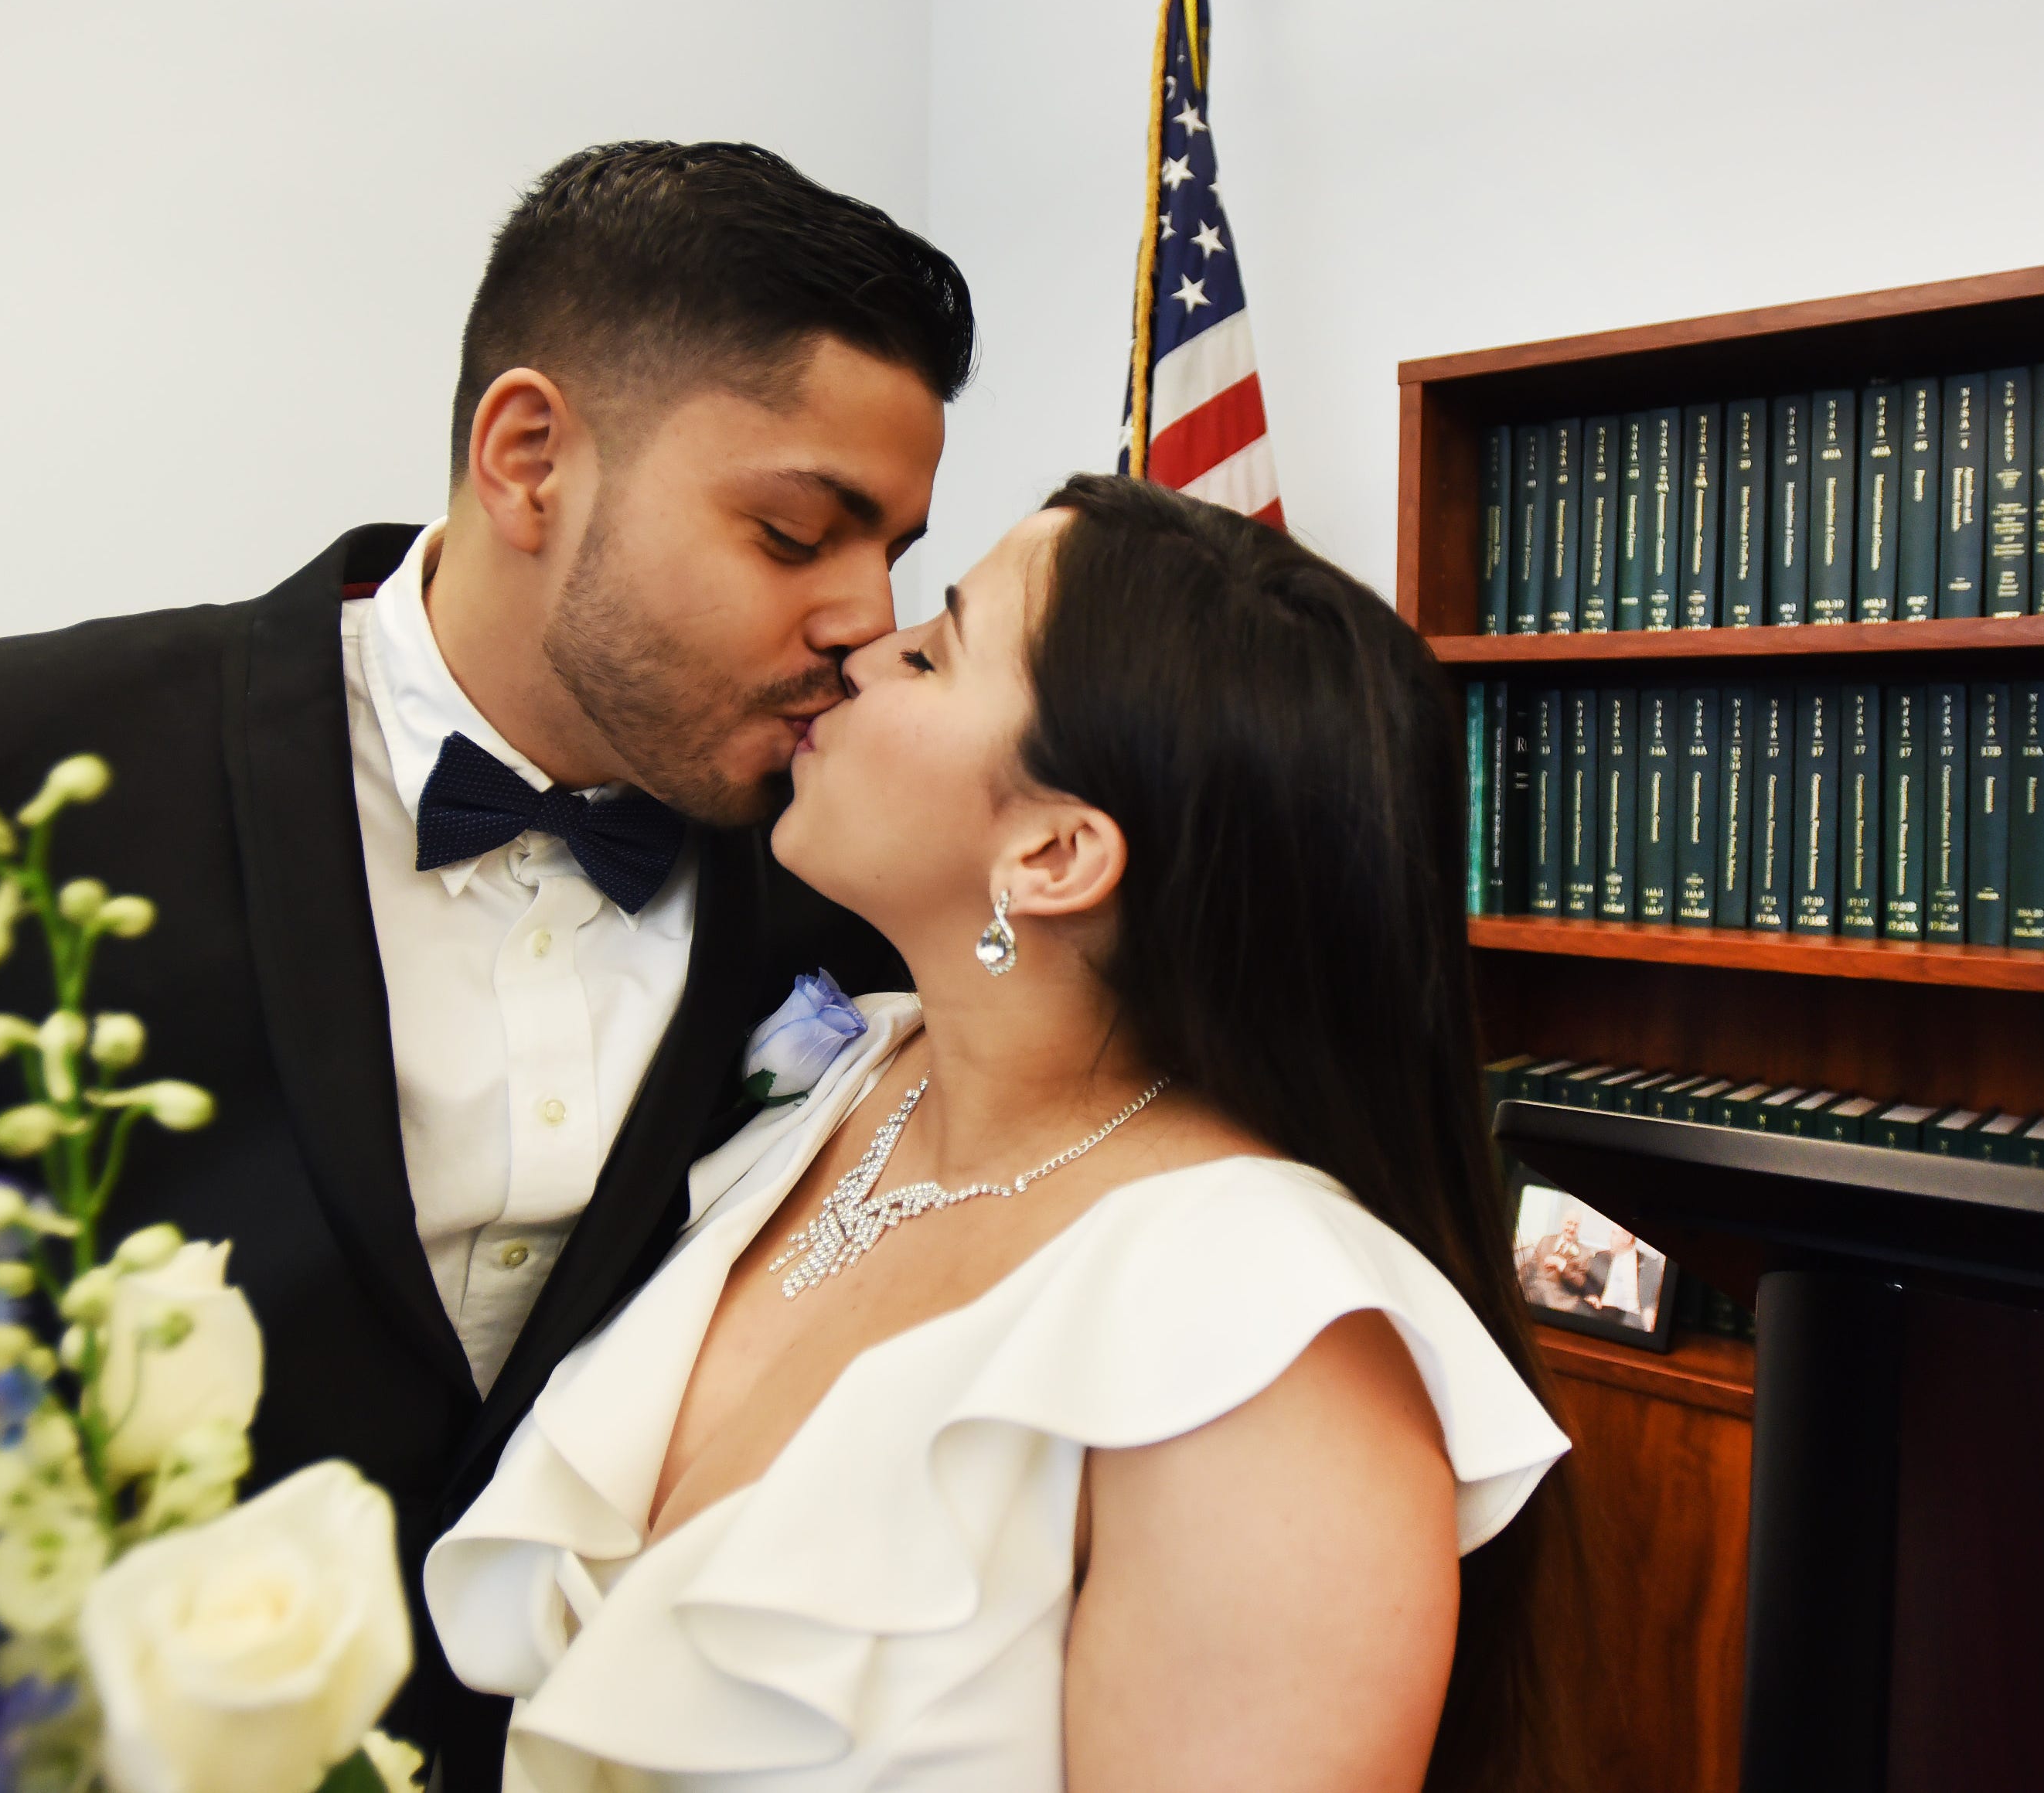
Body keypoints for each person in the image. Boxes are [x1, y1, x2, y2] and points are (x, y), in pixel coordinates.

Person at [0, 141, 971, 1789]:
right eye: (797, 534)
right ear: (528, 456)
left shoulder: (842, 887)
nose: (869, 618)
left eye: (900, 552)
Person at [426, 477, 1576, 1792]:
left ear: (1053, 855)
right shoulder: (842, 1079)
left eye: (930, 649)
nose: (859, 646)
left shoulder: (1266, 1334)